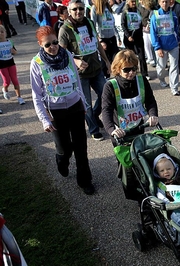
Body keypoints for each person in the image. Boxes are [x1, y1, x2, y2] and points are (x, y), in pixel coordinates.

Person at [30, 26, 95, 195]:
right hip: (55, 112)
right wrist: (44, 119)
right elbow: (36, 95)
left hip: (74, 107)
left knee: (81, 146)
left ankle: (84, 180)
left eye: (55, 42)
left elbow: (77, 82)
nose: (53, 47)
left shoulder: (67, 55)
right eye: (47, 45)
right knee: (65, 147)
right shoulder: (36, 63)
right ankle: (61, 158)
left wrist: (84, 104)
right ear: (40, 45)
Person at [101, 49, 158, 196]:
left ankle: (145, 185)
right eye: (126, 70)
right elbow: (106, 110)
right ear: (117, 69)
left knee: (140, 157)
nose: (131, 73)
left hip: (138, 127)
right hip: (120, 132)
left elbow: (150, 101)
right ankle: (128, 184)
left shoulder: (141, 81)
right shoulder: (110, 86)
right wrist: (111, 129)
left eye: (134, 69)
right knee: (126, 162)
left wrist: (153, 115)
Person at [59, 0, 111, 141]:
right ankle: (93, 129)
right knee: (86, 103)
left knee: (106, 96)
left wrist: (106, 60)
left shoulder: (89, 22)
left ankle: (94, 116)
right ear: (69, 11)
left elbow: (97, 44)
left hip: (97, 69)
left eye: (81, 9)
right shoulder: (65, 29)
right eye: (75, 9)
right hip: (80, 75)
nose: (78, 12)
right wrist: (75, 60)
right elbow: (61, 53)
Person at [150, 0, 180, 95]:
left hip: (173, 45)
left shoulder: (173, 14)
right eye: (163, 2)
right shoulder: (155, 15)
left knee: (174, 67)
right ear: (159, 3)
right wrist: (157, 47)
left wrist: (177, 39)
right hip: (161, 46)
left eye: (166, 2)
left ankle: (174, 88)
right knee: (161, 67)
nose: (165, 4)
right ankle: (162, 79)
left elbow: (176, 28)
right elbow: (153, 32)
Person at [121, 0, 149, 80]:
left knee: (141, 56)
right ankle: (130, 72)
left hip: (138, 37)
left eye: (134, 2)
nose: (134, 3)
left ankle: (144, 73)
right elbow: (123, 24)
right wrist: (128, 36)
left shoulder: (138, 11)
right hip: (129, 38)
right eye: (132, 2)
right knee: (129, 57)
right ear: (128, 2)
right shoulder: (125, 12)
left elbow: (140, 23)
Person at [0, 25, 25, 105]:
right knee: (7, 81)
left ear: (5, 32)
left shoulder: (9, 42)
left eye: (2, 32)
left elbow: (15, 52)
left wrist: (13, 51)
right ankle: (5, 89)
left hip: (11, 62)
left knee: (15, 80)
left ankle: (19, 97)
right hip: (2, 65)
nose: (1, 34)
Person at [170, 0, 180, 73]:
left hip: (178, 31)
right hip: (170, 32)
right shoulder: (167, 7)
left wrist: (179, 31)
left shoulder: (179, 7)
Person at [138, 0, 156, 66]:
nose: (139, 1)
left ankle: (154, 58)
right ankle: (150, 58)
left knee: (152, 44)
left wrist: (148, 23)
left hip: (149, 27)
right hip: (143, 28)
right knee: (146, 44)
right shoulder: (139, 6)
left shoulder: (149, 7)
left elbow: (151, 15)